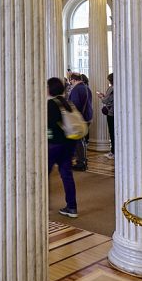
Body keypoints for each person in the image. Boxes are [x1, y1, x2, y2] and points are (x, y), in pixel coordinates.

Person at [47, 77, 79, 218]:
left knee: (42, 174)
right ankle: (72, 207)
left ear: (50, 88)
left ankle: (41, 204)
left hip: (54, 144)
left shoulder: (51, 104)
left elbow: (50, 124)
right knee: (67, 175)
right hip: (69, 142)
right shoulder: (67, 102)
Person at [67, 73, 94, 170]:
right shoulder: (86, 88)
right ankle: (83, 160)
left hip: (79, 118)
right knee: (81, 140)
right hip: (87, 117)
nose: (71, 83)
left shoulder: (76, 89)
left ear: (73, 80)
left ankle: (81, 162)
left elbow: (75, 105)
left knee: (78, 140)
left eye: (71, 81)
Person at [97, 73, 115, 157]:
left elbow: (105, 101)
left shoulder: (111, 88)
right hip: (117, 112)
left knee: (112, 132)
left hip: (111, 113)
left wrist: (101, 97)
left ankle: (113, 152)